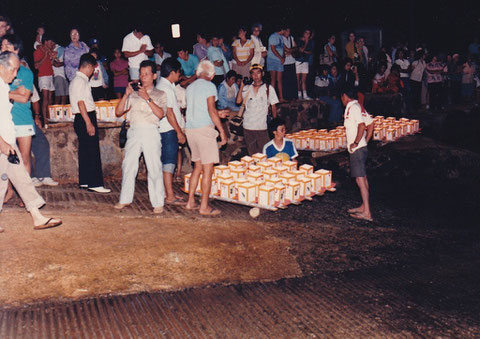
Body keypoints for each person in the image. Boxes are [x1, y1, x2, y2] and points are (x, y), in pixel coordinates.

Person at [0, 51, 62, 231]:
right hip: (3, 143)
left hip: (8, 141)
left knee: (22, 179)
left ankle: (37, 217)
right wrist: (2, 143)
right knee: (2, 181)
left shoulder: (4, 87)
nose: (15, 75)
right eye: (13, 70)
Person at [115, 60, 166, 213]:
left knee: (154, 166)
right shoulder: (134, 93)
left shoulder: (160, 94)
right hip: (134, 130)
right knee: (129, 165)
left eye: (146, 74)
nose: (143, 77)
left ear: (154, 76)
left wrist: (147, 98)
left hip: (151, 131)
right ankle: (125, 199)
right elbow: (118, 112)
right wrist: (126, 95)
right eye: (141, 74)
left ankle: (157, 202)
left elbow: (160, 114)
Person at [184, 60, 227, 216]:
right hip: (204, 131)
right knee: (208, 170)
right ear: (212, 75)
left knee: (197, 167)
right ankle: (204, 207)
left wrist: (217, 114)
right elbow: (210, 108)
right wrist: (221, 130)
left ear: (197, 73)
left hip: (190, 130)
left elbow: (202, 109)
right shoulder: (210, 86)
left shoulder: (189, 87)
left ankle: (190, 202)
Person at [69, 53, 110, 193]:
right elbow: (81, 103)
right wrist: (89, 123)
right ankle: (95, 183)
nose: (93, 72)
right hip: (84, 116)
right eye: (93, 68)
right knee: (92, 150)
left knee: (85, 151)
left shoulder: (78, 80)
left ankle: (85, 181)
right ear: (88, 66)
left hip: (81, 117)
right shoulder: (80, 81)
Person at [155, 57, 188, 206]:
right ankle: (169, 196)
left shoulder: (163, 85)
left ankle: (165, 193)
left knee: (165, 163)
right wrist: (179, 132)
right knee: (168, 163)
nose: (179, 75)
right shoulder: (166, 88)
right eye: (179, 72)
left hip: (163, 129)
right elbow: (169, 113)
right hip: (168, 130)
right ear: (173, 72)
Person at [341, 90, 374, 222]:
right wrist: (366, 140)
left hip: (358, 150)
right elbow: (370, 123)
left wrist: (356, 143)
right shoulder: (358, 106)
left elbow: (362, 126)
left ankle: (367, 212)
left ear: (344, 96)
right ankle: (363, 206)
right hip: (361, 148)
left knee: (360, 180)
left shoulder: (353, 108)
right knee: (362, 178)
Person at [236, 64, 279, 155]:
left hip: (262, 127)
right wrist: (241, 86)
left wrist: (275, 125)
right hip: (248, 126)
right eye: (253, 73)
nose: (256, 76)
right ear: (251, 75)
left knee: (265, 153)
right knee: (252, 153)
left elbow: (274, 107)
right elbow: (238, 101)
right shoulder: (247, 88)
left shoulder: (268, 88)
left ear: (262, 73)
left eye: (258, 73)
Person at [33, 34, 55, 121]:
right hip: (43, 76)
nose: (52, 44)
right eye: (50, 42)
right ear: (45, 42)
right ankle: (45, 120)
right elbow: (36, 66)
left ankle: (50, 118)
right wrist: (45, 55)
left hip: (50, 75)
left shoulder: (49, 51)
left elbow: (50, 63)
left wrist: (52, 58)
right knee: (45, 99)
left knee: (50, 99)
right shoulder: (38, 51)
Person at [267, 26, 285, 102]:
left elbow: (283, 48)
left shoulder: (281, 37)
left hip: (279, 61)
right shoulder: (273, 36)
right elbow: (273, 49)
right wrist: (281, 58)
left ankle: (281, 98)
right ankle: (271, 99)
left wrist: (283, 57)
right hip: (272, 60)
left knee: (279, 79)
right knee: (273, 79)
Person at [295, 29, 314, 100]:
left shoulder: (311, 42)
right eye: (306, 33)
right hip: (298, 61)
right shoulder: (299, 40)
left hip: (305, 62)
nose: (307, 35)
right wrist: (306, 43)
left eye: (309, 34)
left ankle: (305, 95)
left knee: (304, 80)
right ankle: (299, 94)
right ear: (303, 33)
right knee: (297, 79)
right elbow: (301, 50)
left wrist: (304, 50)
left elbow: (310, 52)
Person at [282, 27, 298, 100]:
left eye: (289, 31)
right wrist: (290, 50)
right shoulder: (280, 38)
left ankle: (293, 96)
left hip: (292, 61)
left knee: (292, 80)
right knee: (285, 80)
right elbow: (285, 48)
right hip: (285, 62)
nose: (288, 32)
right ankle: (286, 97)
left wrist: (290, 51)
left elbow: (296, 47)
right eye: (286, 31)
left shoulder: (291, 38)